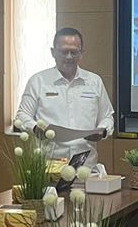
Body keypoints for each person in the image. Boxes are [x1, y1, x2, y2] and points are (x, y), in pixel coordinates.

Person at [13, 27, 115, 166]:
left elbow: (107, 116)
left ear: (81, 53)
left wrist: (102, 131)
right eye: (63, 52)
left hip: (86, 165)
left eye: (74, 52)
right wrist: (35, 128)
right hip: (48, 164)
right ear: (53, 52)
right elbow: (22, 115)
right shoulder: (38, 81)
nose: (69, 57)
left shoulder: (94, 81)